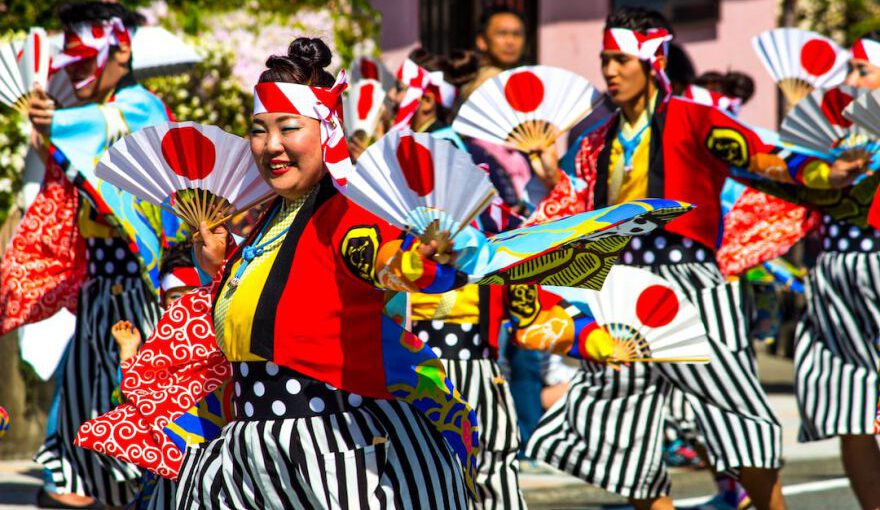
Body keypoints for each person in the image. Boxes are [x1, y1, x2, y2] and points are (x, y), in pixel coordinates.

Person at [523, 7, 859, 510]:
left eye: (620, 59)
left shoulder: (696, 119)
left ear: (652, 59)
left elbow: (762, 156)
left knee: (736, 413)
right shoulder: (597, 141)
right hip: (623, 289)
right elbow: (577, 214)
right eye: (605, 60)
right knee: (621, 425)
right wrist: (552, 179)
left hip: (694, 284)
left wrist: (825, 174)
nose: (610, 71)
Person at [176, 37, 475, 509]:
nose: (271, 145)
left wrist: (410, 264)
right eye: (259, 130)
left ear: (326, 131)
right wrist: (221, 263)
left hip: (339, 449)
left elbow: (376, 257)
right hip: (251, 454)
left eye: (288, 128)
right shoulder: (268, 217)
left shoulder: (346, 210)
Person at [21, 3, 181, 508]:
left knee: (130, 395)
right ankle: (79, 487)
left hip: (140, 290)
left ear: (123, 48)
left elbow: (98, 125)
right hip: (99, 287)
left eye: (86, 62)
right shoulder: (99, 112)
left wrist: (60, 125)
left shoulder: (141, 109)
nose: (78, 74)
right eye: (72, 66)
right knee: (83, 402)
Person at [792, 31, 880, 510]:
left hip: (875, 263)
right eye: (849, 70)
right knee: (849, 404)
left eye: (862, 71)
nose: (850, 80)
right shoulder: (832, 133)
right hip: (833, 272)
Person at [109, 241, 203, 510]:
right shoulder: (154, 348)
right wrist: (129, 352)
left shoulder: (221, 342)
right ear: (163, 300)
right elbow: (127, 403)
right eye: (175, 296)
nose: (184, 303)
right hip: (165, 464)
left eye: (192, 292)